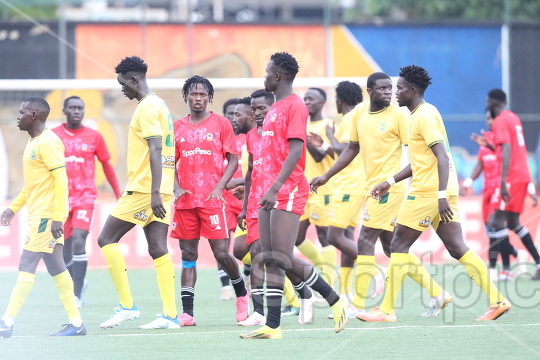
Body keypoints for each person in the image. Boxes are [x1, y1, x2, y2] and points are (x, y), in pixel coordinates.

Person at [359, 65, 510, 322]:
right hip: (441, 187)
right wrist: (390, 180)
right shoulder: (422, 114)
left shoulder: (423, 117)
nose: (396, 92)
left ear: (413, 90)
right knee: (456, 247)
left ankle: (385, 310)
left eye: (400, 88)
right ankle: (498, 301)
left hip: (429, 191)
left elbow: (441, 155)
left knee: (398, 245)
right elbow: (423, 160)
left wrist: (440, 195)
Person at [312, 72, 448, 319]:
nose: (388, 92)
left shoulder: (399, 116)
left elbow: (418, 154)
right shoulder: (359, 114)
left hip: (389, 189)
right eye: (383, 88)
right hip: (371, 188)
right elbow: (352, 148)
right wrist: (327, 176)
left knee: (364, 240)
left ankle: (357, 305)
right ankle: (437, 293)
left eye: (390, 88)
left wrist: (394, 180)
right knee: (391, 248)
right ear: (370, 91)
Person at [240, 52, 347, 340]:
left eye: (267, 72)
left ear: (277, 76)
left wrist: (274, 188)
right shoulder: (274, 108)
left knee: (283, 256)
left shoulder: (295, 106)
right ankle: (273, 326)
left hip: (286, 189)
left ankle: (336, 301)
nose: (264, 76)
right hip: (267, 192)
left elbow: (296, 151)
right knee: (268, 257)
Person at [97, 56, 179, 330]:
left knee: (106, 238)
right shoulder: (161, 105)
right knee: (157, 248)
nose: (122, 89)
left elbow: (156, 149)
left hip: (146, 188)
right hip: (161, 187)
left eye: (123, 83)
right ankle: (170, 315)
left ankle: (127, 306)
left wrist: (154, 192)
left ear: (134, 80)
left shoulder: (146, 108)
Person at [0, 97, 86, 337]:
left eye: (22, 112)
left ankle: (6, 323)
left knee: (26, 263)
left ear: (34, 115)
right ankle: (77, 324)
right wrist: (13, 208)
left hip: (46, 218)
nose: (18, 116)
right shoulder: (34, 142)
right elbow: (32, 186)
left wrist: (58, 216)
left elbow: (62, 181)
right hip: (40, 215)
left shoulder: (48, 142)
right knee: (57, 268)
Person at [172, 75, 249, 327]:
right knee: (188, 254)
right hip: (185, 202)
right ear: (187, 96)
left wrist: (219, 187)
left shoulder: (221, 123)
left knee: (222, 254)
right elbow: (169, 161)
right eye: (193, 94)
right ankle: (187, 313)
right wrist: (175, 186)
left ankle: (241, 296)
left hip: (212, 200)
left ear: (209, 98)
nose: (198, 98)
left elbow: (234, 160)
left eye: (203, 94)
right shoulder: (177, 127)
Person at [52, 96, 122, 308]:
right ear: (64, 110)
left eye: (80, 108)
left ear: (84, 111)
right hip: (60, 200)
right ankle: (79, 281)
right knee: (63, 250)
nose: (76, 111)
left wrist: (118, 192)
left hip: (85, 197)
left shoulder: (94, 137)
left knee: (80, 241)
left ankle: (78, 294)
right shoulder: (53, 136)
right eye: (72, 107)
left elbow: (107, 165)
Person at [472, 89, 540, 280]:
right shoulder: (513, 117)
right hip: (521, 175)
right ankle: (537, 262)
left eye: (488, 100)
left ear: (493, 101)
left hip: (511, 177)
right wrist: (489, 146)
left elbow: (508, 149)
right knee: (512, 222)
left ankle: (506, 270)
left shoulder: (501, 119)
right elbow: (513, 149)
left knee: (495, 221)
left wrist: (503, 180)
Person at [463, 109, 531, 279]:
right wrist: (467, 183)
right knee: (491, 229)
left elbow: (511, 158)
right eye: (486, 119)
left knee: (497, 225)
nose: (489, 122)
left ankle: (500, 269)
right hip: (487, 191)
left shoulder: (503, 140)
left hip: (501, 187)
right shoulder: (485, 140)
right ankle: (516, 254)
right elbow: (479, 165)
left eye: (490, 118)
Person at [296, 87, 335, 287]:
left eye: (311, 99)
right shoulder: (301, 126)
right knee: (297, 237)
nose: (307, 102)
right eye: (305, 99)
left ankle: (329, 281)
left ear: (321, 103)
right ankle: (323, 267)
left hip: (323, 189)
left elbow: (321, 156)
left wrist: (302, 134)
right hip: (303, 189)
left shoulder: (329, 125)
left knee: (324, 236)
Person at [219, 97, 246, 300]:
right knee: (223, 244)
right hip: (226, 200)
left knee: (246, 245)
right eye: (229, 114)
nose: (232, 118)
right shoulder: (220, 139)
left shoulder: (249, 137)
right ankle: (225, 286)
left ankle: (246, 277)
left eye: (235, 114)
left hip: (246, 197)